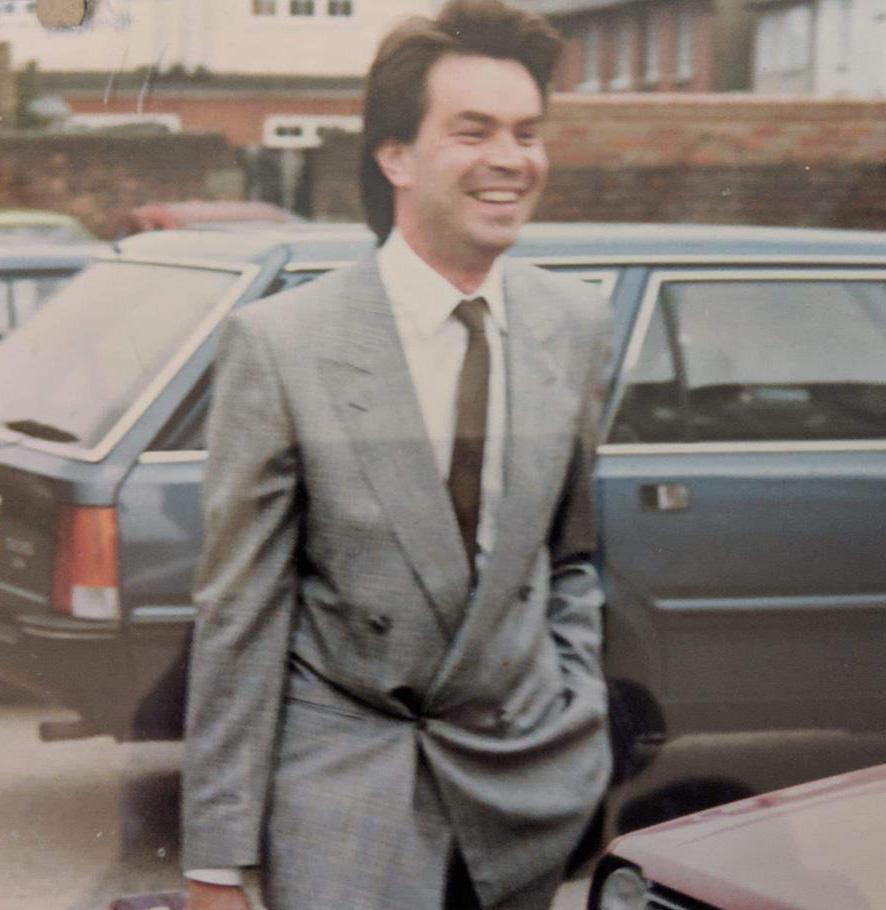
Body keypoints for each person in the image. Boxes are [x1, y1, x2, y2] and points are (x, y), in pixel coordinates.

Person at [181, 2, 612, 908]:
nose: (512, 158)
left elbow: (572, 557)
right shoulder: (284, 343)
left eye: (527, 132)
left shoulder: (575, 324)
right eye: (474, 131)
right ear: (396, 157)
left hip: (523, 786)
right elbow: (241, 612)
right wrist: (217, 862)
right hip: (346, 806)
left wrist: (577, 710)